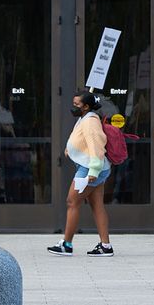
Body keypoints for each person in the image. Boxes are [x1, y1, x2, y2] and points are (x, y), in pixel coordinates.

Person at [47, 89, 113, 258]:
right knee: (97, 205)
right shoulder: (84, 118)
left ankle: (67, 244)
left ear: (86, 106)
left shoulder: (91, 121)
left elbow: (96, 145)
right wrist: (71, 150)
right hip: (90, 166)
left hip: (90, 168)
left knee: (72, 201)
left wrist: (94, 170)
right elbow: (81, 140)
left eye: (76, 104)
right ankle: (106, 246)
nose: (73, 107)